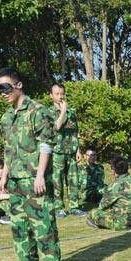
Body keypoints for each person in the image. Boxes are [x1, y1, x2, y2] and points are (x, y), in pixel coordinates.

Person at [0, 67, 67, 261]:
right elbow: (8, 149)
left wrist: (40, 175)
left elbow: (46, 145)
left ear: (18, 85)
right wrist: (4, 176)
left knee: (43, 225)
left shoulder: (38, 111)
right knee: (19, 227)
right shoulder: (7, 117)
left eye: (6, 87)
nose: (3, 93)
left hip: (34, 180)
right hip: (15, 180)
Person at [45, 83, 85, 217]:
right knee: (57, 181)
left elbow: (75, 131)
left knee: (73, 180)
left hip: (71, 151)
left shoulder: (72, 112)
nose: (60, 96)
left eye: (62, 93)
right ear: (51, 96)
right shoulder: (48, 112)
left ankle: (74, 206)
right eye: (57, 94)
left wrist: (78, 150)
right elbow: (55, 127)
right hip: (57, 151)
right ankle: (58, 208)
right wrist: (62, 112)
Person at [87, 155, 131, 230]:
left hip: (123, 223)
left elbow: (102, 206)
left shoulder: (115, 185)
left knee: (94, 212)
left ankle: (99, 223)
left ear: (113, 170)